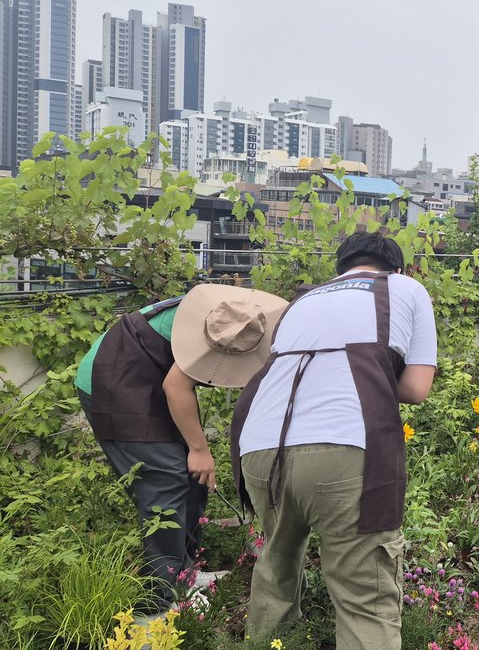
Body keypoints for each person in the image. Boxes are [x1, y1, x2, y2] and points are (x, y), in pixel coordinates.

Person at [230, 232, 438, 649]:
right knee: (366, 596)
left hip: (257, 445)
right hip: (343, 448)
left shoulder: (302, 301)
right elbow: (416, 388)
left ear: (341, 270)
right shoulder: (407, 288)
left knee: (275, 572)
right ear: (397, 269)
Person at [75, 284, 287, 613]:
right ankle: (158, 603)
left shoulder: (243, 317)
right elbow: (176, 387)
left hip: (147, 374)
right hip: (112, 377)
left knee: (193, 479)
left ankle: (185, 575)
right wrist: (199, 450)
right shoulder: (219, 325)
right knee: (166, 482)